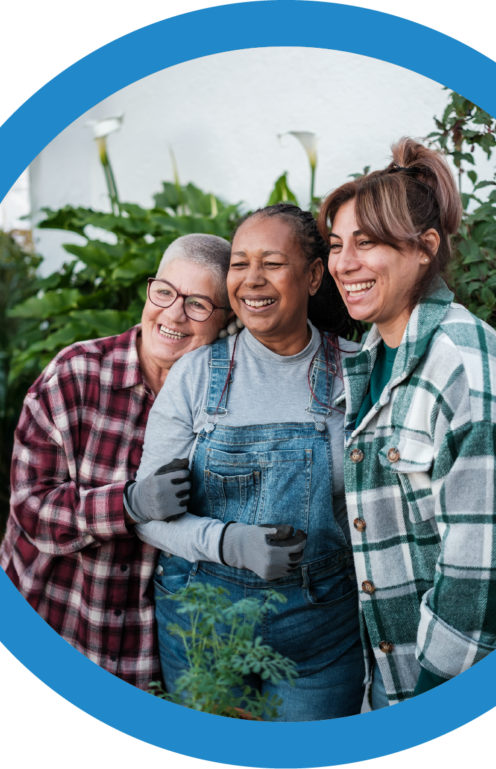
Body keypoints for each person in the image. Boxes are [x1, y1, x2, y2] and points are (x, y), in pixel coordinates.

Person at [317, 138, 496, 708]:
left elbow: (483, 575)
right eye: (337, 245)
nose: (343, 263)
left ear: (425, 249)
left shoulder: (466, 367)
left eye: (368, 243)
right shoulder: (371, 355)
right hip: (394, 680)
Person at [127, 204, 367, 721]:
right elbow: (148, 517)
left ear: (314, 274)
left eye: (272, 263)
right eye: (239, 263)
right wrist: (226, 542)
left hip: (320, 634)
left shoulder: (357, 372)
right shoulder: (195, 374)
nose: (251, 280)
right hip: (201, 625)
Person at [0, 234, 235, 689]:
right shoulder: (75, 374)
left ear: (226, 320)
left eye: (199, 304)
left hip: (147, 656)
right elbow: (30, 507)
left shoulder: (228, 404)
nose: (173, 314)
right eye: (164, 292)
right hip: (47, 621)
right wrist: (128, 503)